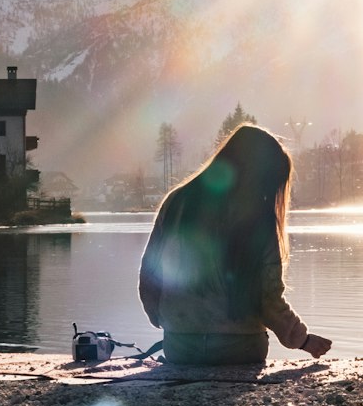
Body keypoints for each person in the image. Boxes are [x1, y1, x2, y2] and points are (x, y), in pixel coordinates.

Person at [138, 123, 332, 366]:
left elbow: (150, 273)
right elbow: (269, 300)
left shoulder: (178, 201)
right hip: (240, 349)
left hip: (181, 347)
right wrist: (303, 340)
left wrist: (162, 318)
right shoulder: (258, 219)